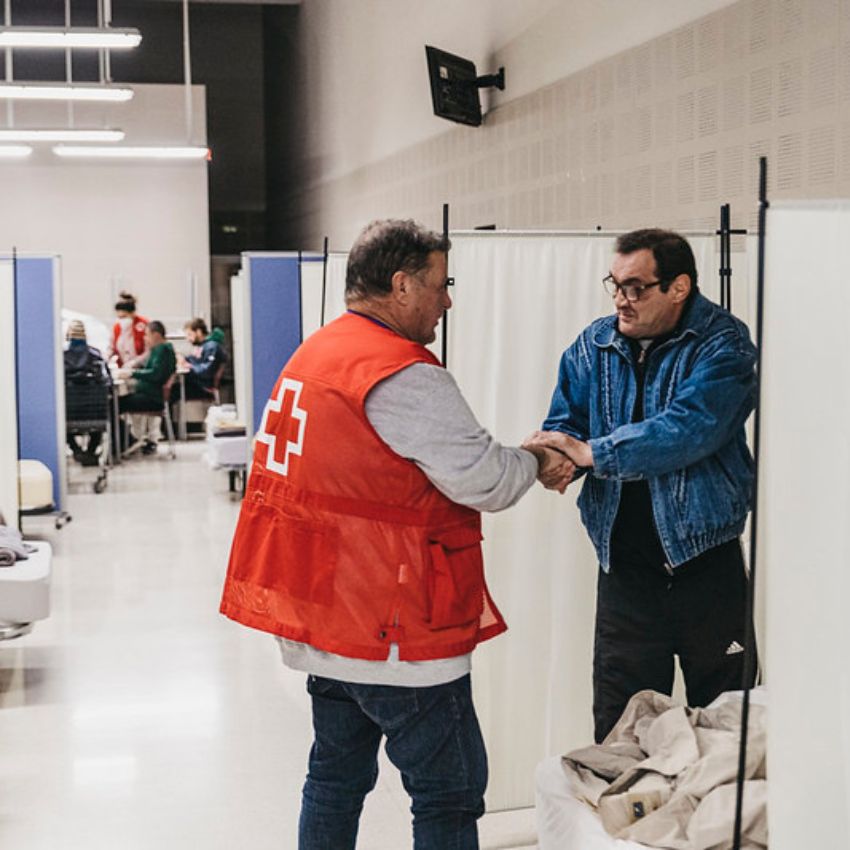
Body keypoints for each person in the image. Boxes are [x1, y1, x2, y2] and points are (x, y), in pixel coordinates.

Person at [219, 219, 573, 850]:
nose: (448, 300)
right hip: (393, 629)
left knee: (334, 778)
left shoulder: (318, 352)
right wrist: (540, 459)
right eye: (441, 284)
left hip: (326, 617)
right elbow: (485, 479)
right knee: (448, 794)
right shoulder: (400, 373)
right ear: (403, 284)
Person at [525, 228, 758, 743]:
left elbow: (688, 429)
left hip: (707, 567)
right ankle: (623, 826)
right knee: (622, 734)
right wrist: (553, 456)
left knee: (729, 731)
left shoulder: (724, 344)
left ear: (679, 288)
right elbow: (568, 424)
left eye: (635, 288)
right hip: (626, 576)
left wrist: (593, 454)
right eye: (615, 284)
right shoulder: (593, 346)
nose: (620, 300)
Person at [118, 320, 176, 454]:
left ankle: (125, 441)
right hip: (150, 395)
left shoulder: (162, 350)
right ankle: (127, 440)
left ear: (156, 335)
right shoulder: (159, 350)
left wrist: (133, 373)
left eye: (147, 334)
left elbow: (156, 374)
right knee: (119, 403)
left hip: (152, 398)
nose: (145, 338)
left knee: (114, 405)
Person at [64, 319, 111, 466]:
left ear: (67, 336)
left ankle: (76, 450)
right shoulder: (96, 356)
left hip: (69, 414)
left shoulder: (60, 358)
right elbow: (108, 382)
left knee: (61, 420)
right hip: (94, 413)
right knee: (100, 407)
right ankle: (91, 452)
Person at [177, 317, 228, 399]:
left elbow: (208, 370)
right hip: (196, 385)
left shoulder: (211, 347)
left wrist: (190, 367)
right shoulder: (201, 346)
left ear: (199, 332)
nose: (188, 339)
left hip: (203, 388)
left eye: (190, 335)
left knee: (174, 391)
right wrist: (183, 359)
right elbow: (193, 360)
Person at [108, 290, 148, 367]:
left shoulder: (143, 325)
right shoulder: (117, 328)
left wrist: (135, 362)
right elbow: (111, 347)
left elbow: (149, 350)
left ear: (133, 313)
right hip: (123, 368)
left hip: (142, 367)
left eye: (124, 317)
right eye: (119, 317)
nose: (122, 320)